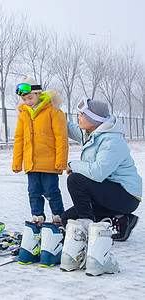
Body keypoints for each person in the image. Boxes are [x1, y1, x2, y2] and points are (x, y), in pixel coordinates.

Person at [60, 99, 141, 275]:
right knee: (67, 219)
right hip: (108, 192)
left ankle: (88, 230)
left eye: (82, 115)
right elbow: (68, 127)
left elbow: (98, 173)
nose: (79, 117)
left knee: (75, 180)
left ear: (93, 120)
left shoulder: (112, 140)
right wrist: (50, 109)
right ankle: (122, 221)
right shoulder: (92, 132)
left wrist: (72, 165)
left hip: (126, 195)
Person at [12, 77, 69, 267]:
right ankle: (37, 218)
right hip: (31, 162)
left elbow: (61, 138)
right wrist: (17, 162)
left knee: (51, 191)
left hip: (49, 162)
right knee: (33, 191)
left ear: (38, 93)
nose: (27, 101)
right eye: (24, 99)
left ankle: (58, 218)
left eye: (30, 97)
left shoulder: (54, 111)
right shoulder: (23, 114)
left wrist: (61, 162)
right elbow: (19, 139)